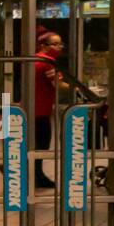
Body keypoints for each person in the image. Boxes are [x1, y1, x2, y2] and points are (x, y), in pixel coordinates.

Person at [33, 27, 70, 189]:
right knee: (41, 145)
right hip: (40, 111)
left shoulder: (34, 59)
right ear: (43, 45)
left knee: (34, 143)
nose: (59, 47)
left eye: (60, 43)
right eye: (55, 44)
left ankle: (33, 174)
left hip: (32, 108)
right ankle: (37, 176)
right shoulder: (46, 62)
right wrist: (78, 88)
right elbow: (58, 84)